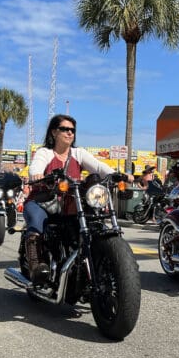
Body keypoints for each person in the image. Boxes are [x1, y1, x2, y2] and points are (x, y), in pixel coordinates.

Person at [23, 114, 125, 284]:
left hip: (72, 202)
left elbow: (99, 167)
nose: (70, 133)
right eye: (65, 129)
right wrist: (37, 174)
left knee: (94, 223)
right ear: (54, 132)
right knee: (36, 222)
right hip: (44, 201)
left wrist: (117, 176)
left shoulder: (78, 153)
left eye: (72, 130)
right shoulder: (45, 153)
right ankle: (36, 266)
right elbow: (36, 166)